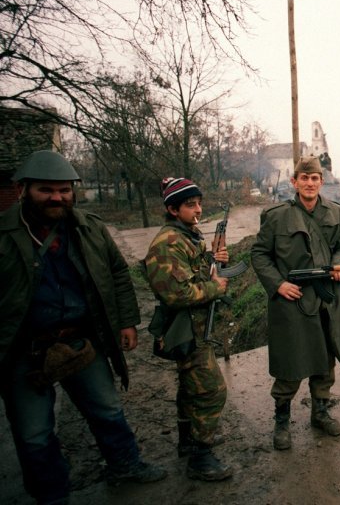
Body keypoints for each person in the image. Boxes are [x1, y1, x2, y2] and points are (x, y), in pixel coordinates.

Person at [0, 150, 166, 505]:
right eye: (46, 190)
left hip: (82, 341)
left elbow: (118, 273)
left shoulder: (89, 228)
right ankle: (51, 495)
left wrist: (126, 321)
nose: (57, 197)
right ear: (23, 189)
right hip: (23, 350)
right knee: (34, 434)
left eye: (63, 190)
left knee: (107, 408)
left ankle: (125, 465)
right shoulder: (3, 234)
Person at [251, 156, 340, 450]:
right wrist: (278, 284)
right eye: (304, 178)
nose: (310, 183)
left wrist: (339, 265)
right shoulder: (275, 216)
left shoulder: (335, 212)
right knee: (290, 362)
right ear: (294, 182)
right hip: (293, 300)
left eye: (315, 178)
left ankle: (320, 413)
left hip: (327, 299)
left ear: (321, 182)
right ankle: (282, 421)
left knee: (325, 358)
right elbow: (259, 254)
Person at [144, 177, 233, 481]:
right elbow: (176, 293)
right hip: (185, 328)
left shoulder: (186, 235)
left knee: (190, 388)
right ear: (172, 209)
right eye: (190, 205)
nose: (198, 209)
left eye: (199, 203)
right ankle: (201, 456)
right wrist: (215, 287)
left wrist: (212, 259)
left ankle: (188, 441)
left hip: (194, 326)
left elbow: (191, 273)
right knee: (211, 391)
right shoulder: (168, 242)